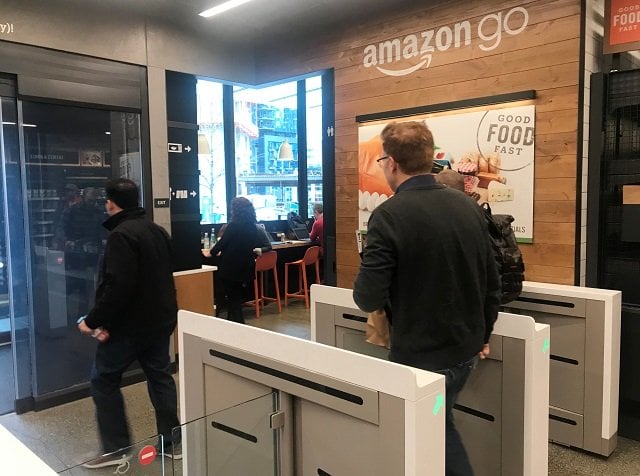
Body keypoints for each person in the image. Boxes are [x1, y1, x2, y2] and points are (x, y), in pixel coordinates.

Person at [353, 121, 501, 476]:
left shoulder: (388, 216)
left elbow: (366, 295)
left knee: (431, 434)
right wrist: (482, 335)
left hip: (420, 355)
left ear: (391, 162)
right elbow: (491, 283)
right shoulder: (468, 207)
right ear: (428, 158)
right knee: (438, 426)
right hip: (465, 351)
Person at [77, 178, 180, 469]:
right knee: (160, 377)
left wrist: (94, 321)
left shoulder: (121, 236)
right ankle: (171, 443)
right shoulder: (156, 231)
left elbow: (118, 286)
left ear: (111, 202)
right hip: (159, 321)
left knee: (103, 380)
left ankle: (116, 448)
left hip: (130, 326)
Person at [202, 197, 271, 324]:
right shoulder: (253, 227)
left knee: (232, 300)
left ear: (235, 211)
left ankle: (238, 325)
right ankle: (232, 323)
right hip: (246, 268)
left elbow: (221, 244)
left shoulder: (233, 226)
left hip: (230, 268)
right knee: (236, 298)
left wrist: (210, 253)